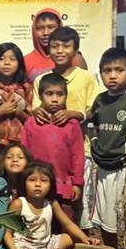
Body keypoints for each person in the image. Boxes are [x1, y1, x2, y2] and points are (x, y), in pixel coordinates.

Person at [29, 25, 99, 227]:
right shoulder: (41, 80)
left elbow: (94, 110)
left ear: (76, 49)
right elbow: (35, 108)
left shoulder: (85, 78)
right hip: (45, 157)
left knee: (76, 205)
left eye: (66, 46)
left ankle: (77, 248)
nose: (60, 51)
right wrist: (37, 111)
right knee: (44, 207)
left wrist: (73, 114)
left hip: (76, 152)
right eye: (55, 46)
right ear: (48, 49)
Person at [86, 47, 126, 249]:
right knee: (107, 221)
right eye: (107, 71)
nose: (113, 76)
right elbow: (91, 125)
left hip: (125, 168)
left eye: (119, 70)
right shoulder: (100, 100)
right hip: (102, 168)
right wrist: (95, 142)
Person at [4, 161, 98, 249]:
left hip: (45, 246)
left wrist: (85, 238)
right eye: (32, 180)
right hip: (23, 247)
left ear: (51, 185)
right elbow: (7, 233)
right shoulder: (19, 204)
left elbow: (68, 224)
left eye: (44, 180)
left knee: (75, 239)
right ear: (24, 183)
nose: (38, 185)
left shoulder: (51, 203)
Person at [21, 73, 84, 219]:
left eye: (60, 94)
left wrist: (77, 183)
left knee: (65, 221)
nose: (55, 99)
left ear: (66, 96)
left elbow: (78, 156)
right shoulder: (32, 123)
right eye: (49, 94)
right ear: (41, 96)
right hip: (37, 183)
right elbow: (24, 152)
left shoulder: (72, 124)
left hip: (64, 184)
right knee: (38, 221)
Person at [0, 42, 32, 147]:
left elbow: (33, 122)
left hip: (20, 146)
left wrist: (17, 112)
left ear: (20, 63)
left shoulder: (26, 88)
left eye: (12, 59)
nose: (7, 63)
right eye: (1, 59)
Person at [22, 8, 87, 82]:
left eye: (51, 27)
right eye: (39, 28)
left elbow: (85, 87)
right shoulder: (26, 61)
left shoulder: (74, 58)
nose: (45, 33)